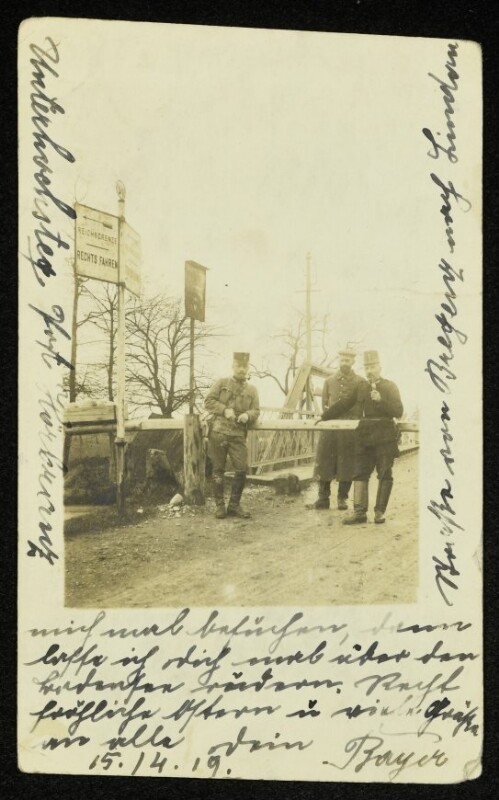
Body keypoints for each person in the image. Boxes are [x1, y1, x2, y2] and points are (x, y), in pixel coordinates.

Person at [320, 350, 403, 524]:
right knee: (359, 472)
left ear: (380, 367)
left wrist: (381, 400)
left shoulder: (390, 386)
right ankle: (360, 513)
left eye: (372, 367)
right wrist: (324, 417)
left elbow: (398, 411)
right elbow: (344, 404)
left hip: (385, 434)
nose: (370, 371)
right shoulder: (362, 386)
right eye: (367, 367)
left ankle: (380, 512)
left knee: (385, 473)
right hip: (366, 434)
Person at [204, 352, 260, 519]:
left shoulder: (252, 389)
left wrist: (248, 416)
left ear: (248, 368)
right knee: (218, 470)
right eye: (238, 366)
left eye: (245, 366)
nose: (241, 369)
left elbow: (256, 410)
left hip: (237, 435)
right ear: (233, 366)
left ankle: (234, 505)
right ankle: (220, 506)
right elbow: (208, 401)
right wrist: (224, 410)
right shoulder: (222, 383)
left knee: (241, 469)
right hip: (219, 432)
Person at [308, 349, 363, 510]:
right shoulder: (329, 381)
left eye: (348, 360)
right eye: (342, 360)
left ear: (353, 362)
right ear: (339, 360)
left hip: (349, 429)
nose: (344, 363)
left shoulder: (360, 382)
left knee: (347, 463)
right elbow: (326, 403)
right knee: (324, 461)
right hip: (330, 428)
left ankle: (342, 499)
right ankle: (323, 498)